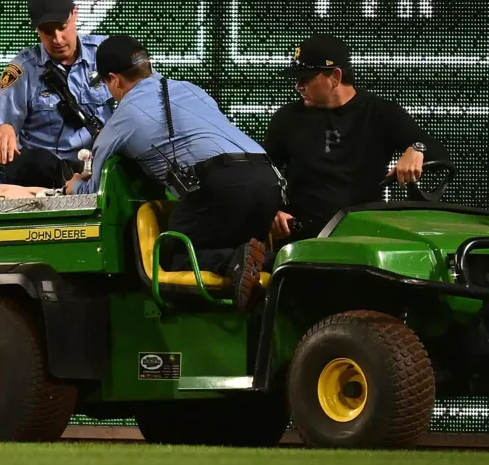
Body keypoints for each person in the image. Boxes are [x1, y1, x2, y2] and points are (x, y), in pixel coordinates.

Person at [67, 35, 281, 311]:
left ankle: (236, 261)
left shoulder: (121, 121)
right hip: (268, 179)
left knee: (168, 255)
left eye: (107, 85)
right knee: (240, 248)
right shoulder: (191, 89)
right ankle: (284, 262)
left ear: (115, 80)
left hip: (223, 186)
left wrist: (73, 187)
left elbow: (95, 193)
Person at [264, 34, 450, 244]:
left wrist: (416, 149)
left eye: (306, 79)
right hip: (302, 239)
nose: (298, 86)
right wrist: (273, 212)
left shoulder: (379, 112)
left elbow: (437, 151)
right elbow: (263, 174)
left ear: (335, 76)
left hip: (363, 238)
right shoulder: (287, 118)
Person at [0, 0, 114, 187]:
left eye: (62, 27)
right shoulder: (22, 69)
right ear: (36, 29)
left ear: (75, 14)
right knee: (32, 163)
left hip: (101, 167)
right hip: (45, 176)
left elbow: (144, 97)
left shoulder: (106, 54)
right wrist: (2, 131)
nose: (57, 39)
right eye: (47, 32)